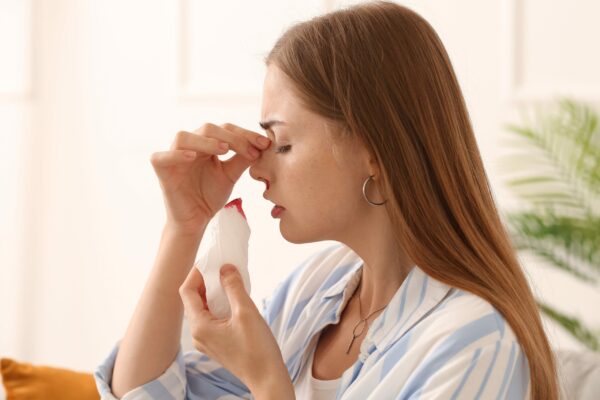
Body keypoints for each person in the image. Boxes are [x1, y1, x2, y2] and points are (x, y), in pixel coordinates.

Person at [94, 1, 559, 399]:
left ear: (373, 151)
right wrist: (184, 229)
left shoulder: (472, 342)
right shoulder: (319, 290)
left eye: (284, 145)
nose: (257, 169)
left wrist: (267, 381)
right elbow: (147, 392)